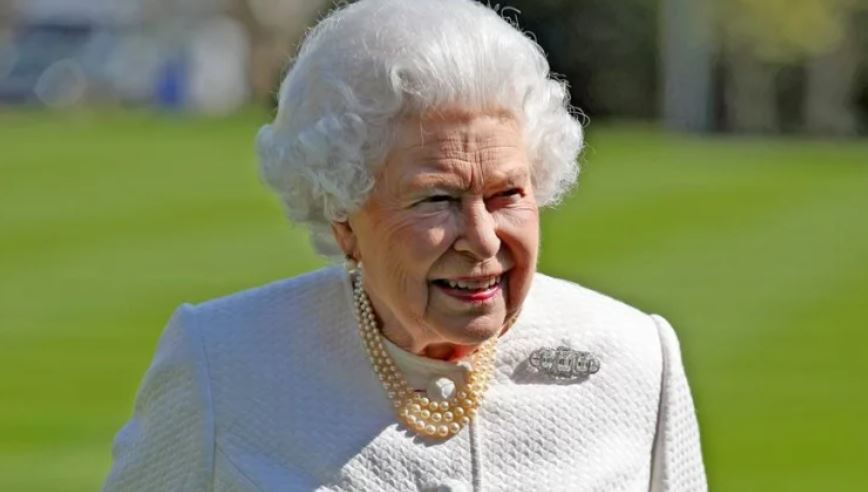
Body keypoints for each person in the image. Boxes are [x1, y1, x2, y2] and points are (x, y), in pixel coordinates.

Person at [104, 0, 707, 490]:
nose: (482, 239)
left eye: (506, 194)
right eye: (437, 199)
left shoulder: (636, 357)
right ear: (343, 217)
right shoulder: (224, 363)